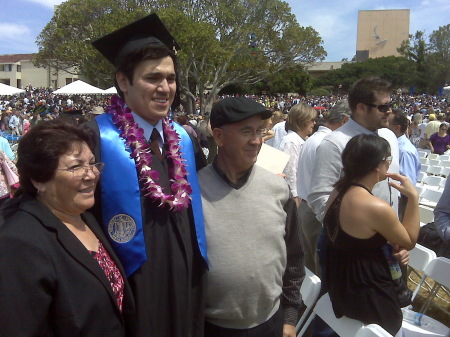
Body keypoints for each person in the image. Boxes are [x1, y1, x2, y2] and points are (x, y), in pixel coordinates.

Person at [89, 14, 208, 336]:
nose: (165, 88)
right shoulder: (96, 139)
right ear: (124, 81)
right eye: (153, 78)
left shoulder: (183, 139)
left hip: (186, 277)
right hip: (133, 282)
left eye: (170, 78)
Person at [0, 119, 135, 336]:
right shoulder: (19, 243)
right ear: (38, 179)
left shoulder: (86, 218)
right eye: (76, 167)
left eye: (92, 163)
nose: (91, 174)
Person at [199, 97, 304, 337]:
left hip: (271, 324)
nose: (257, 140)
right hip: (211, 328)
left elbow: (295, 257)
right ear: (219, 136)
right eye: (246, 131)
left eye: (260, 130)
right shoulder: (192, 193)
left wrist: (289, 318)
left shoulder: (277, 189)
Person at [323, 134, 419, 337]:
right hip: (371, 296)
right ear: (377, 165)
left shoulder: (338, 192)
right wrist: (413, 198)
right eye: (388, 160)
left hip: (342, 289)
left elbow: (355, 241)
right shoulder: (374, 206)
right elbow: (409, 240)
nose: (389, 165)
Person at [296, 100, 349, 274]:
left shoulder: (313, 139)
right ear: (344, 121)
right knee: (321, 269)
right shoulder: (327, 143)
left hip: (306, 208)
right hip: (318, 212)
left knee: (311, 266)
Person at [278, 103, 316, 206]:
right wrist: (295, 197)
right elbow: (290, 171)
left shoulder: (299, 140)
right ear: (302, 120)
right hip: (295, 197)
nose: (314, 123)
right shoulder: (291, 141)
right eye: (312, 120)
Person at [388, 109, 421, 220]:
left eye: (388, 123)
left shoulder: (405, 151)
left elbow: (407, 183)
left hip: (400, 202)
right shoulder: (394, 145)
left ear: (397, 127)